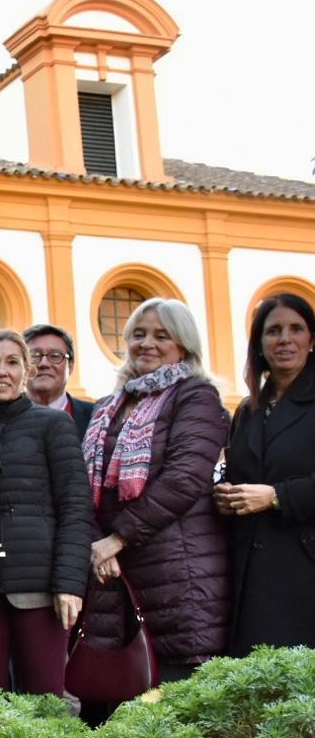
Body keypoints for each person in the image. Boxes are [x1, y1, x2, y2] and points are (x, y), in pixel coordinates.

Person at [80, 298, 229, 701]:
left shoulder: (196, 396)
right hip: (114, 572)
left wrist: (117, 539)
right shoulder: (109, 405)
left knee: (180, 699)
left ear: (183, 345)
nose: (147, 343)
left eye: (162, 336)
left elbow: (185, 478)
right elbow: (84, 483)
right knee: (120, 696)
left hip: (178, 570)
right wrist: (98, 542)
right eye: (139, 334)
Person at [0, 330, 92, 698]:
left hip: (41, 589)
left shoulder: (53, 425)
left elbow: (75, 506)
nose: (1, 371)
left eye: (12, 362)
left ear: (27, 371)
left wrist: (69, 584)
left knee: (46, 700)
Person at [216, 292, 315, 655]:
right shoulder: (247, 410)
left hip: (304, 572)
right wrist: (225, 494)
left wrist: (276, 497)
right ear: (259, 344)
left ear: (311, 339)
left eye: (296, 329)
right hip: (251, 574)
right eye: (273, 331)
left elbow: (269, 491)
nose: (284, 339)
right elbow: (237, 470)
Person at [23, 322, 96, 439]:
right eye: (34, 356)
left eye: (55, 356)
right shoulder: (0, 420)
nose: (44, 364)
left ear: (70, 366)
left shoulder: (97, 417)